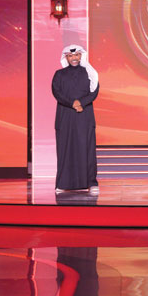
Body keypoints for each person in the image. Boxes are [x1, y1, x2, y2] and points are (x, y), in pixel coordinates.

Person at [52, 44, 100, 193]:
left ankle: (91, 183)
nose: (74, 58)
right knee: (65, 149)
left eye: (77, 55)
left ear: (81, 56)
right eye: (71, 55)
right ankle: (62, 183)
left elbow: (94, 91)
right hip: (65, 116)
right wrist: (72, 103)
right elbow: (56, 92)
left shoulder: (90, 73)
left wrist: (81, 103)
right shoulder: (59, 74)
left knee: (87, 149)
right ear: (66, 57)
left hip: (84, 116)